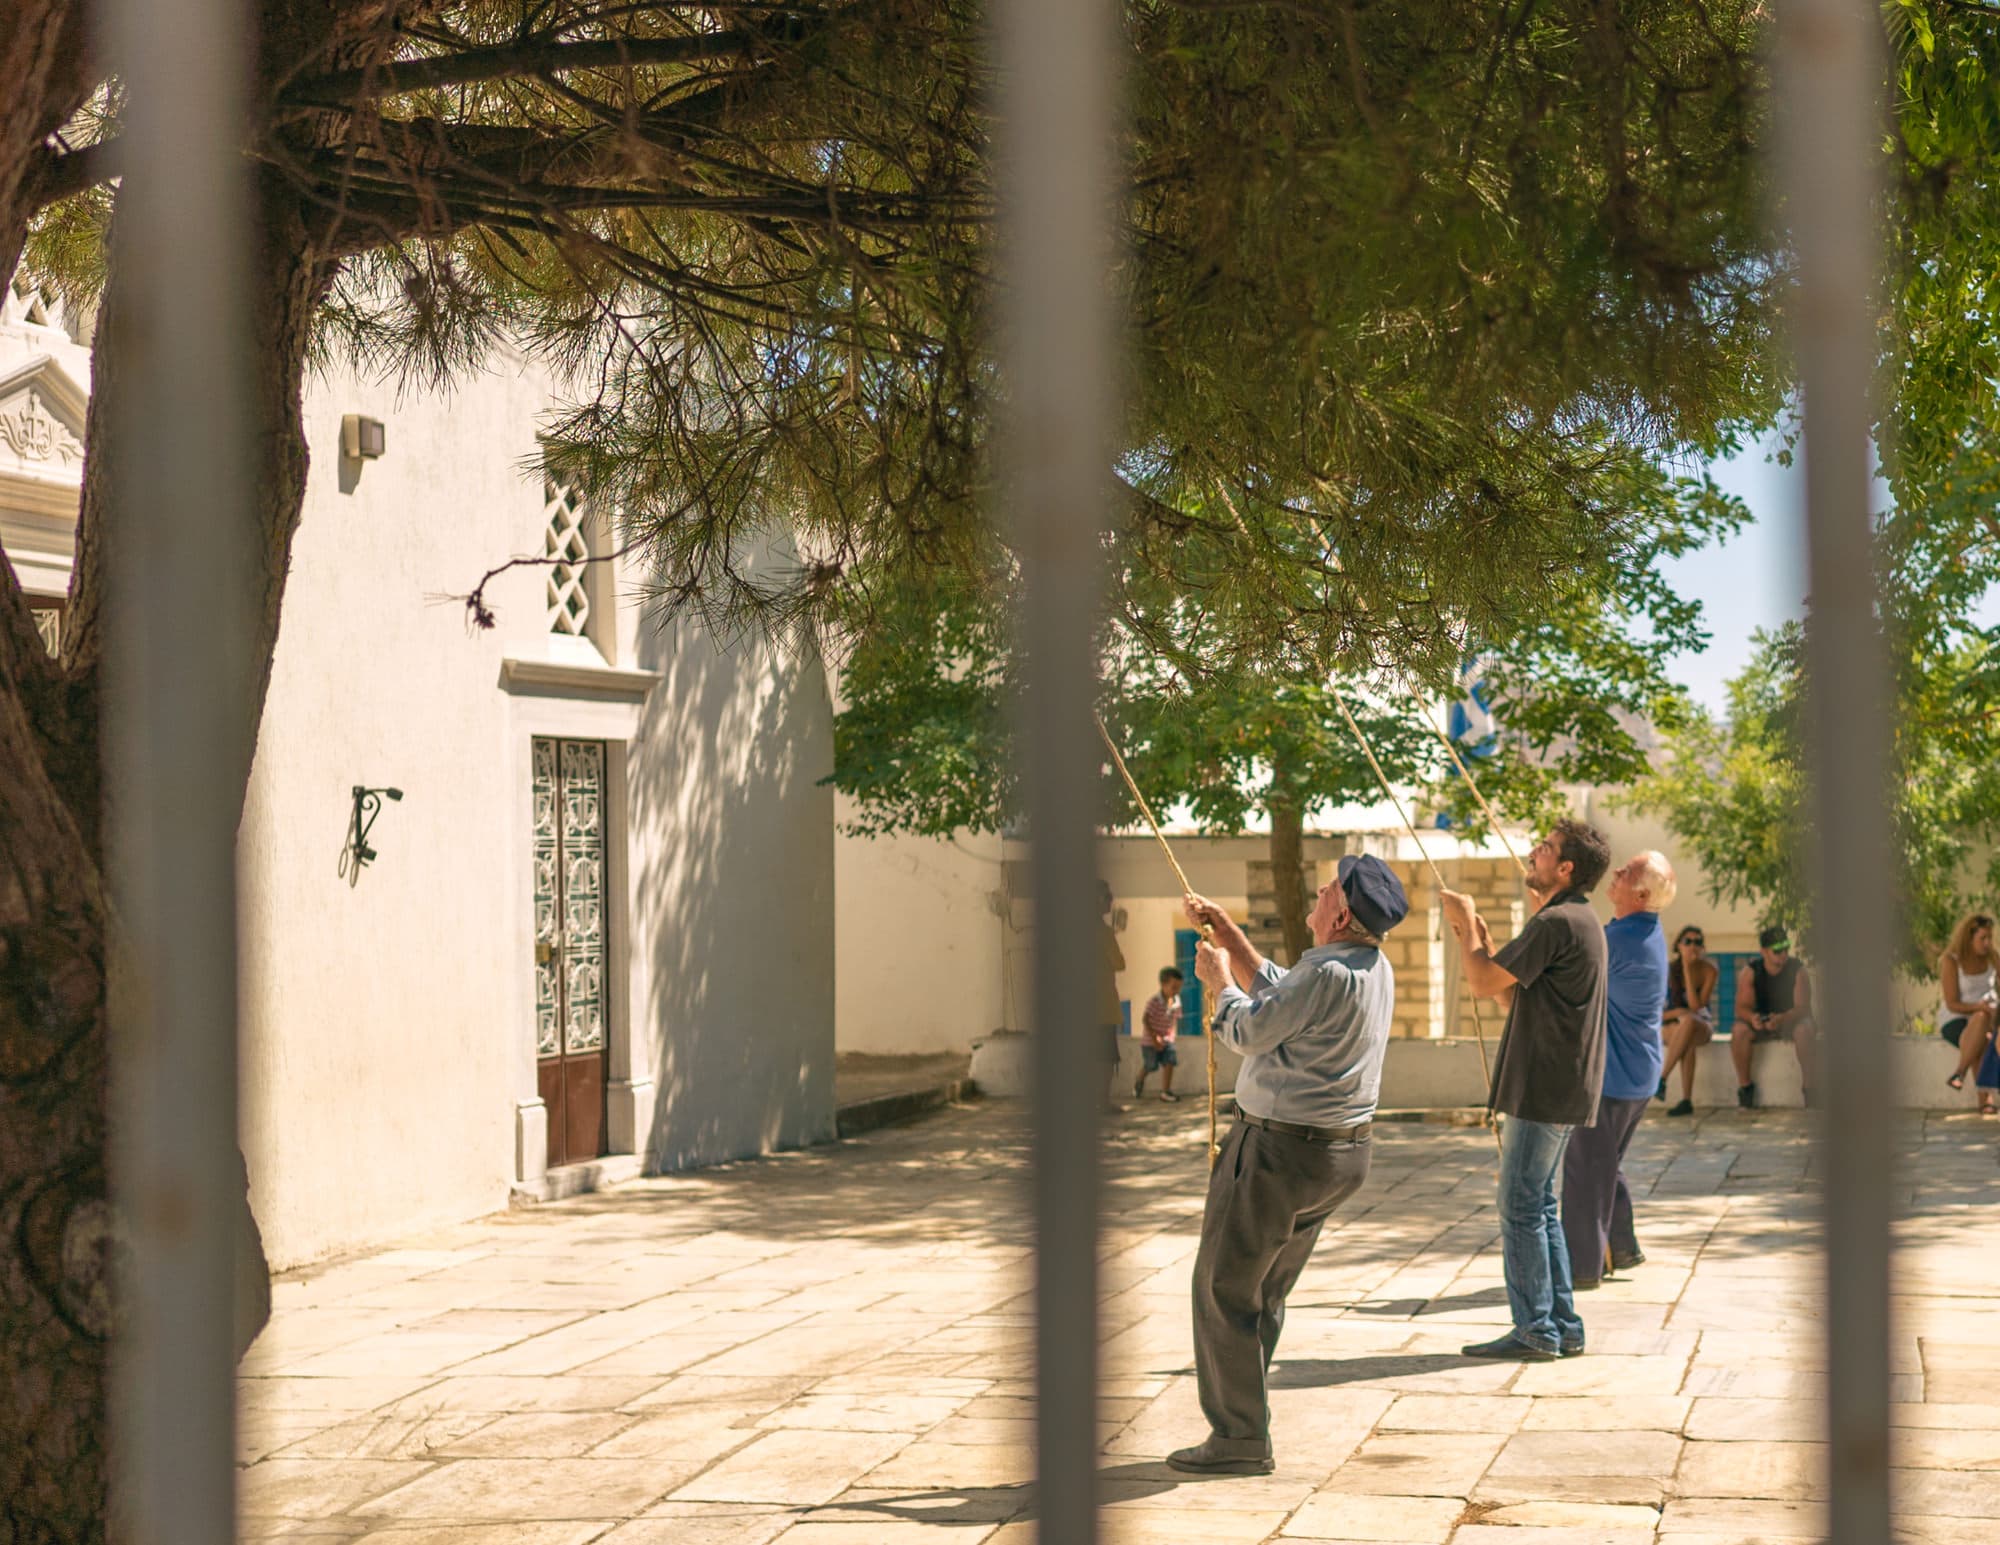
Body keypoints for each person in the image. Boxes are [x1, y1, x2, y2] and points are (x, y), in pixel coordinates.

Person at [1167, 855, 1409, 1476]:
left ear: (1343, 913)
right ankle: (1242, 1421)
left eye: (1331, 885)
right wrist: (1231, 933)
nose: (1322, 887)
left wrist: (1218, 981)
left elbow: (1249, 1029)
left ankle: (1239, 1437)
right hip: (1337, 1155)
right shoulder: (1367, 965)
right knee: (1263, 1290)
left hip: (1279, 1154)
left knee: (1222, 1289)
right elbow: (1280, 990)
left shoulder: (1326, 970)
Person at [1439, 817, 1611, 1362]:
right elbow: (1512, 997)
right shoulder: (1574, 920)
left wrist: (1466, 927)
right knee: (1540, 1206)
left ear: (1566, 869)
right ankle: (1561, 1323)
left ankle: (1535, 1328)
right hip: (1560, 1086)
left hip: (1545, 1086)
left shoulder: (1557, 920)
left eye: (1545, 849)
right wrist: (1484, 946)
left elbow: (1484, 981)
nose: (1532, 854)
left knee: (1520, 1206)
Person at [1562, 851, 1672, 1290]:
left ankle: (1583, 1268)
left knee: (1587, 1169)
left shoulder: (1621, 940)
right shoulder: (1642, 931)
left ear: (1642, 893)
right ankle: (1622, 1247)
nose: (1617, 874)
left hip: (1614, 1078)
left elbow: (1571, 963)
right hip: (1638, 1074)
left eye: (1627, 873)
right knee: (1606, 1161)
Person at [1732, 925, 1816, 1109]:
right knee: (1739, 1031)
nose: (1783, 953)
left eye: (1785, 948)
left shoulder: (1797, 970)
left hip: (1791, 1021)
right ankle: (1745, 1088)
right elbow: (1741, 1008)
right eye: (1777, 950)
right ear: (1764, 951)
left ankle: (1810, 1088)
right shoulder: (1751, 972)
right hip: (1762, 1023)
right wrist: (1753, 1018)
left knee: (1804, 1030)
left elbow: (1802, 1008)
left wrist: (1781, 1019)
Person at [1935, 911, 1998, 1116]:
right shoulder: (1951, 961)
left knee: (1983, 1029)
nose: (1988, 942)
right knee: (1983, 1039)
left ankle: (1959, 1073)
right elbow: (1952, 1003)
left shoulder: (1993, 957)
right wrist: (1979, 1007)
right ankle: (1985, 1099)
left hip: (1986, 1016)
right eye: (1983, 938)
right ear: (1969, 938)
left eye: (1990, 937)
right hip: (1956, 1019)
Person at [1656, 925, 1719, 1116]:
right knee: (1687, 1037)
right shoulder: (1666, 971)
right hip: (1671, 1026)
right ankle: (1686, 1101)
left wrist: (1687, 969)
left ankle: (1662, 1078)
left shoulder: (1709, 971)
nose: (1693, 946)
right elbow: (1655, 1014)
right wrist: (1677, 1013)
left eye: (1698, 942)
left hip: (1701, 1025)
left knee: (1690, 1022)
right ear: (1678, 946)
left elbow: (1696, 1008)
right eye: (1688, 942)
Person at [1098, 881, 1127, 1108]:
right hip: (1102, 1005)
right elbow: (1119, 963)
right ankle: (1103, 1101)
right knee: (1106, 1056)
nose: (1111, 901)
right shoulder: (1103, 932)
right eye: (1107, 897)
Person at [1136, 966, 1184, 1101]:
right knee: (1151, 1066)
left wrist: (1169, 1037)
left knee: (1170, 1061)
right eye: (1173, 987)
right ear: (1163, 985)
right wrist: (1154, 1037)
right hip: (1150, 1041)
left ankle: (1166, 1092)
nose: (1176, 991)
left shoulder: (1177, 1002)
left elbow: (1174, 1020)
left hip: (1167, 1039)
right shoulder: (1154, 1001)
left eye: (1179, 988)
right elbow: (1145, 1019)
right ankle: (1139, 1080)